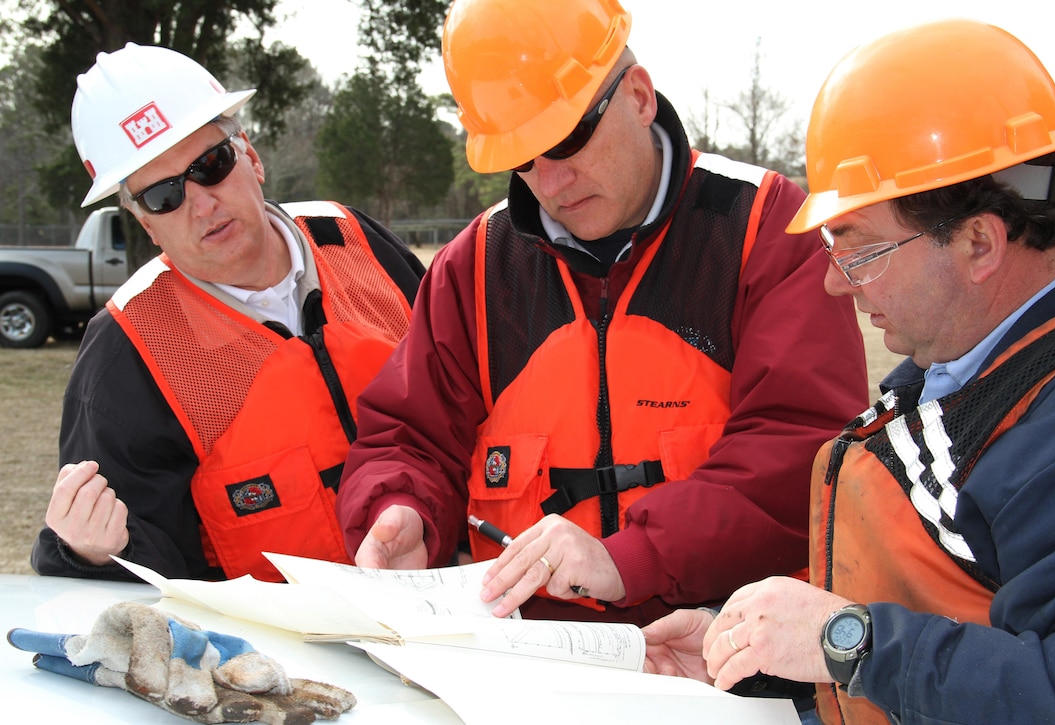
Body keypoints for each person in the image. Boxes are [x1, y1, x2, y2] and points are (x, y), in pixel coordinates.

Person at [335, 0, 868, 626]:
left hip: (726, 654)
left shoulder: (761, 226)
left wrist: (637, 555)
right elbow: (409, 436)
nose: (551, 182)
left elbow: (803, 441)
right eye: (522, 158)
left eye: (566, 139)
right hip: (525, 658)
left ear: (639, 96)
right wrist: (399, 506)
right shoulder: (473, 266)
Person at [642, 18, 1055, 724]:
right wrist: (771, 663)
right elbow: (951, 627)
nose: (834, 284)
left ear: (978, 243)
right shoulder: (977, 378)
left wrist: (845, 642)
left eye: (862, 251)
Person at [30, 43, 426, 583]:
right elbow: (141, 563)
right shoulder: (128, 349)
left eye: (210, 166)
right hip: (275, 657)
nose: (201, 204)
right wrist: (92, 554)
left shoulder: (355, 242)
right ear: (145, 224)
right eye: (163, 195)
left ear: (252, 157)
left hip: (448, 607)